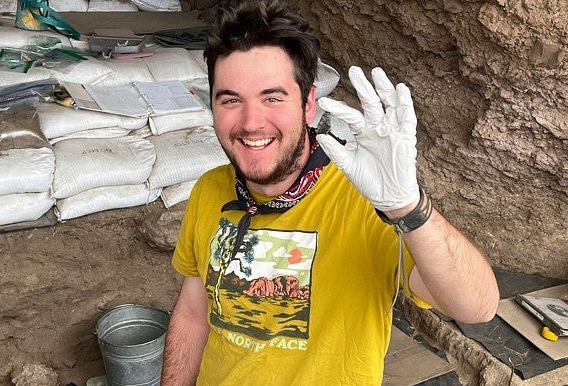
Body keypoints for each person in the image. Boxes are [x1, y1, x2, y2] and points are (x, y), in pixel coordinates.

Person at [161, 0, 499, 384]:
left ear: (307, 106)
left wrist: (408, 207)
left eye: (272, 98)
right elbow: (193, 309)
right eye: (231, 99)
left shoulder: (367, 201)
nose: (251, 122)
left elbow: (477, 307)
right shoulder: (209, 190)